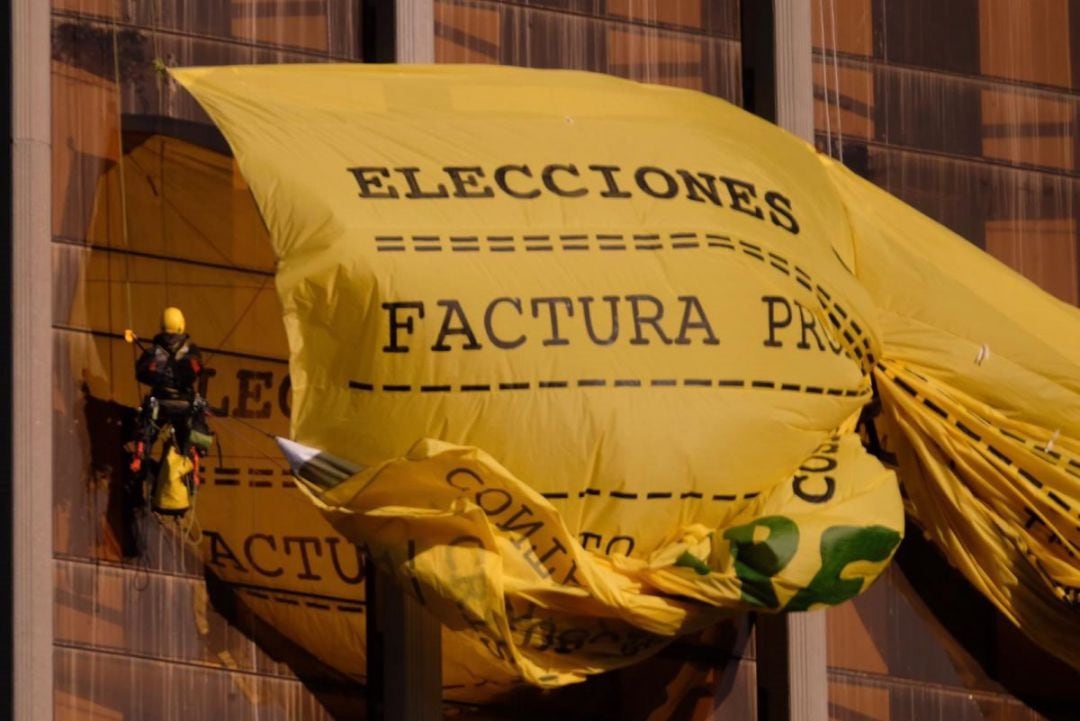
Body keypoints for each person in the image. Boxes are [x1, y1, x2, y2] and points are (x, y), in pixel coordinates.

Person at [130, 307, 210, 492]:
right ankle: (193, 470)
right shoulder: (191, 350)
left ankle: (138, 459)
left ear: (162, 326)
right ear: (182, 325)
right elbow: (197, 372)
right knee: (188, 438)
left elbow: (141, 374)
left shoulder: (154, 351)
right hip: (184, 405)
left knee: (146, 430)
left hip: (159, 404)